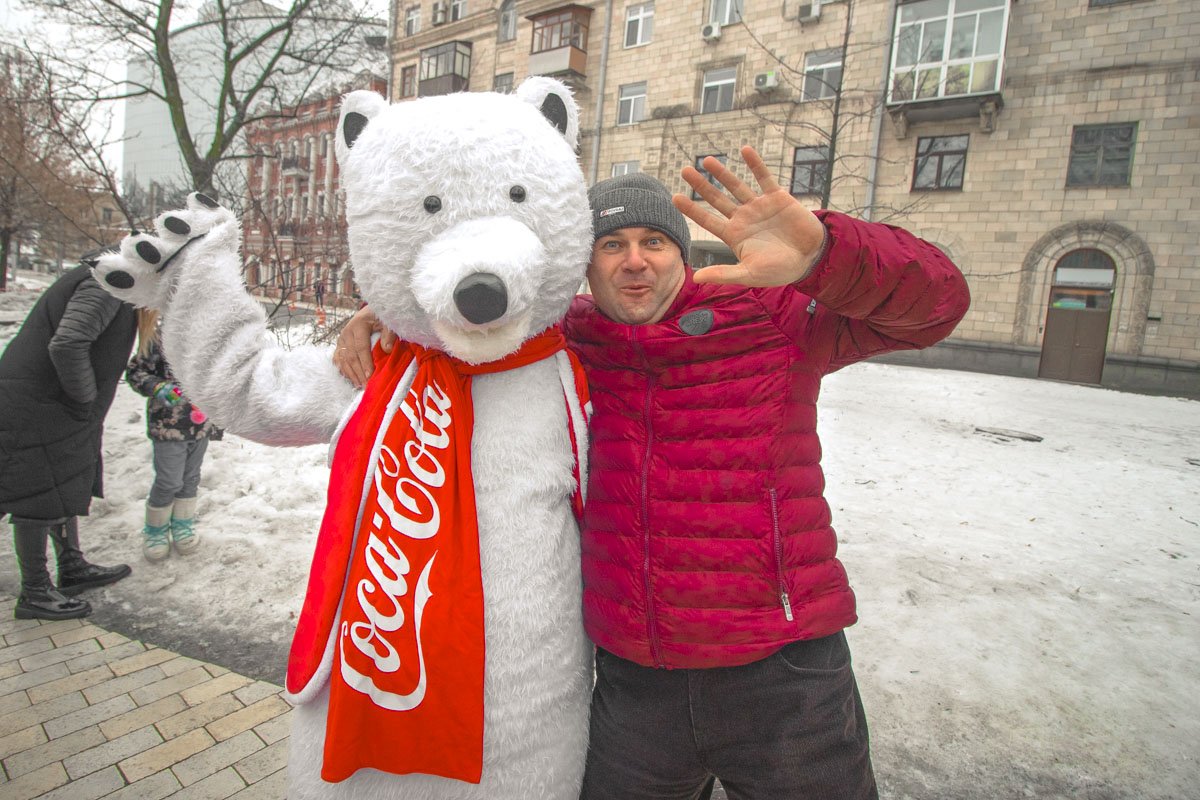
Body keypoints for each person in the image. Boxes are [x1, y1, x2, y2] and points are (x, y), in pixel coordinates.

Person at [334, 146, 970, 799]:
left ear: (683, 254)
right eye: (611, 243)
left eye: (654, 241)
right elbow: (471, 323)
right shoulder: (565, 341)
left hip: (784, 678)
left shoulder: (772, 316)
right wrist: (392, 315)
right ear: (586, 263)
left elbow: (937, 305)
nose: (634, 260)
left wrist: (824, 258)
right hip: (637, 687)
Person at [0, 253, 135, 620]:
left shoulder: (113, 279)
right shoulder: (109, 283)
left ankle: (71, 564)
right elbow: (69, 342)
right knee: (37, 493)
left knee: (61, 482)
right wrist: (84, 397)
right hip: (42, 403)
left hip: (51, 402)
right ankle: (35, 591)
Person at [125, 310, 223, 561]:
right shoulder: (159, 338)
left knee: (190, 478)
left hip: (199, 425)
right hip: (168, 425)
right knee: (169, 480)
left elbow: (219, 382)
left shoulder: (210, 345)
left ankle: (182, 524)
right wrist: (157, 386)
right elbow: (136, 373)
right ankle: (156, 530)